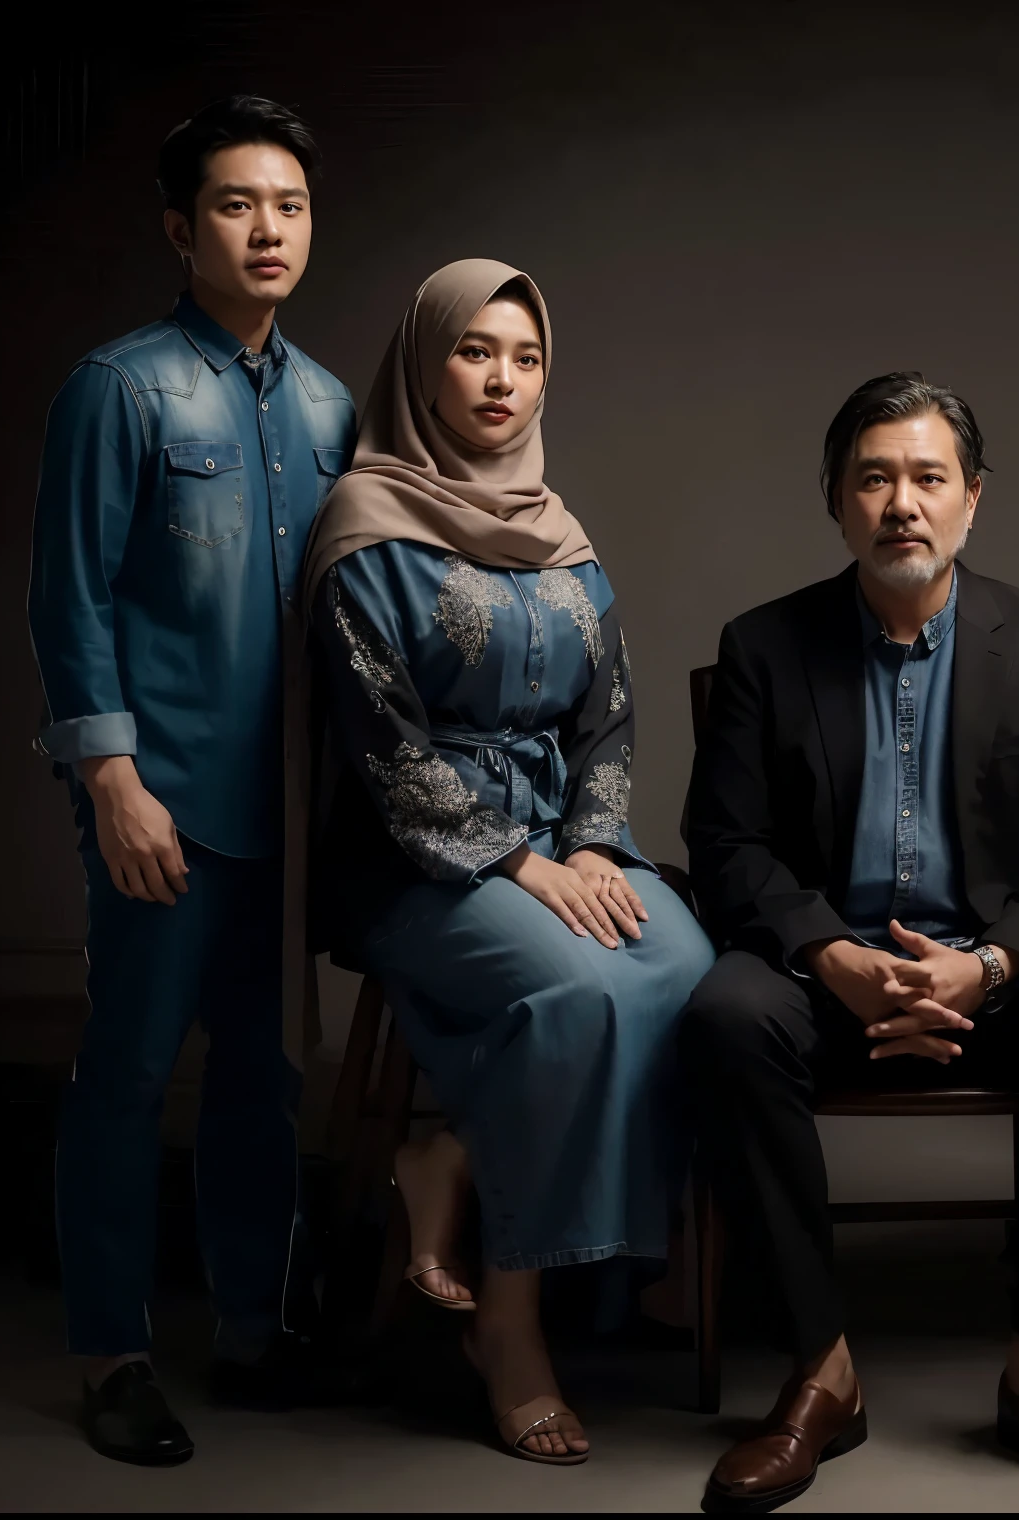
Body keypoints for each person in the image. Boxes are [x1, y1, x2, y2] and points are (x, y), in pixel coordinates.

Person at [681, 372, 1019, 1512]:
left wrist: (988, 963)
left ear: (971, 500)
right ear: (836, 501)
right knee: (721, 1016)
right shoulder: (765, 645)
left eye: (927, 478)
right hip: (826, 971)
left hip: (997, 968)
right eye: (873, 478)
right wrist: (829, 957)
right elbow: (726, 845)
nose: (901, 502)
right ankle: (821, 1368)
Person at [303, 258, 714, 1464]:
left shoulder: (559, 531)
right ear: (423, 363)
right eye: (475, 350)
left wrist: (587, 841)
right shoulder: (364, 529)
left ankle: (457, 1153)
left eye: (525, 356)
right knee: (580, 986)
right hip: (416, 859)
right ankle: (513, 1321)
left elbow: (610, 719)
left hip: (562, 840)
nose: (502, 378)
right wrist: (517, 865)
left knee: (691, 968)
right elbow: (380, 740)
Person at [27, 96, 355, 1466]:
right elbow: (70, 596)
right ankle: (111, 1354)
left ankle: (249, 1328)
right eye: (235, 205)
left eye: (286, 204)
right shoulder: (123, 387)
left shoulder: (334, 404)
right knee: (126, 1075)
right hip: (163, 804)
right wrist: (111, 780)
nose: (266, 228)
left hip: (288, 811)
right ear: (182, 228)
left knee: (263, 1084)